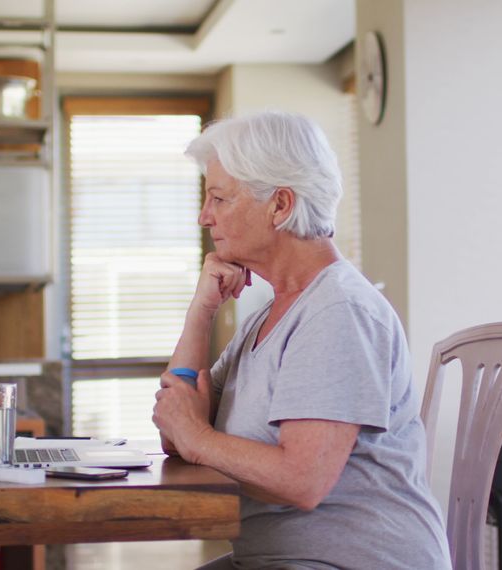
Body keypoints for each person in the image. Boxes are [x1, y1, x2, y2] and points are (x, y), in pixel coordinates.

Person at [152, 110, 450, 570]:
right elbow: (176, 424)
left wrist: (196, 436)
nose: (203, 216)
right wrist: (201, 312)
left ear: (280, 205)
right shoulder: (271, 316)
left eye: (219, 199)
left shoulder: (338, 311)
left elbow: (302, 480)